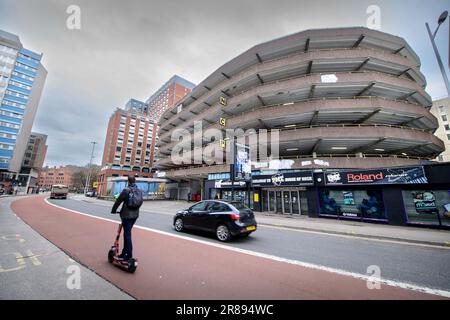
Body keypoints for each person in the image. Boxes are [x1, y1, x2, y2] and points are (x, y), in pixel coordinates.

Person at [111, 176, 142, 261]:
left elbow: (118, 201)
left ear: (128, 181)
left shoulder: (126, 190)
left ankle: (129, 255)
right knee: (126, 233)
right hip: (135, 216)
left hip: (126, 216)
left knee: (127, 235)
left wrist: (113, 210)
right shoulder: (139, 191)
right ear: (135, 181)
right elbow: (140, 202)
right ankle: (124, 253)